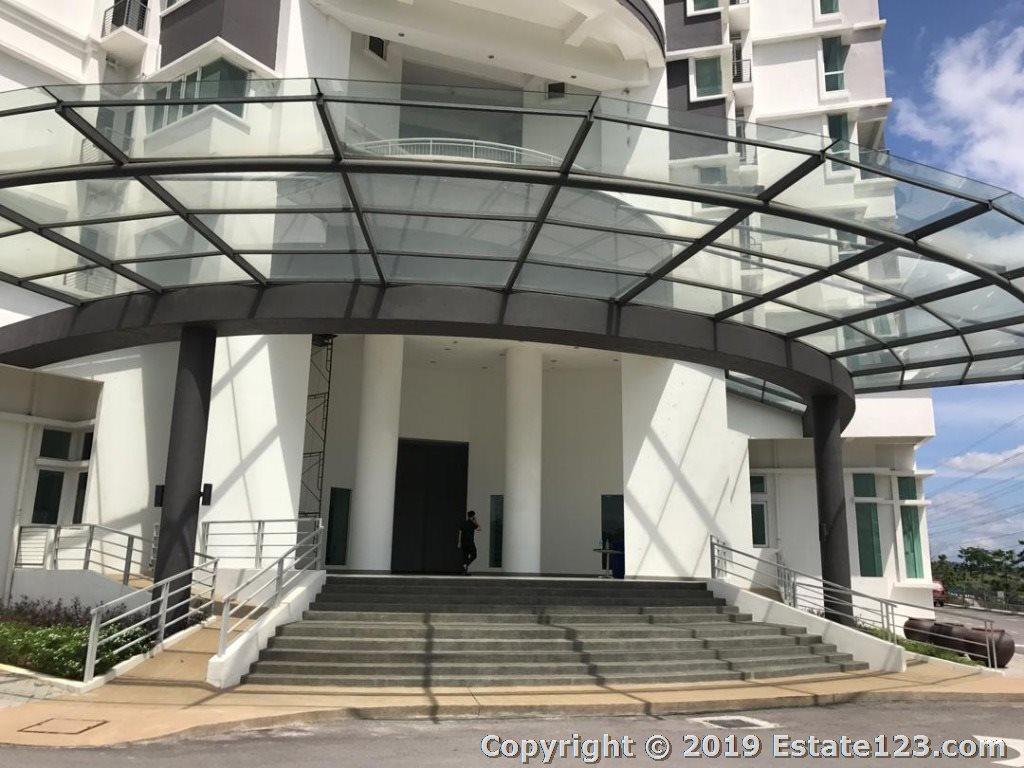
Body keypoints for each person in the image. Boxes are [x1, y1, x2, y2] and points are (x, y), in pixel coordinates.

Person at [457, 510, 480, 575]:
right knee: (474, 555)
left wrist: (459, 542)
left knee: (465, 556)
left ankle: (465, 571)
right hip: (470, 542)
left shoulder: (463, 523)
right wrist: (475, 521)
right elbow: (479, 528)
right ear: (473, 516)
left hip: (463, 542)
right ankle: (466, 565)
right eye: (474, 516)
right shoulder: (472, 524)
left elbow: (460, 532)